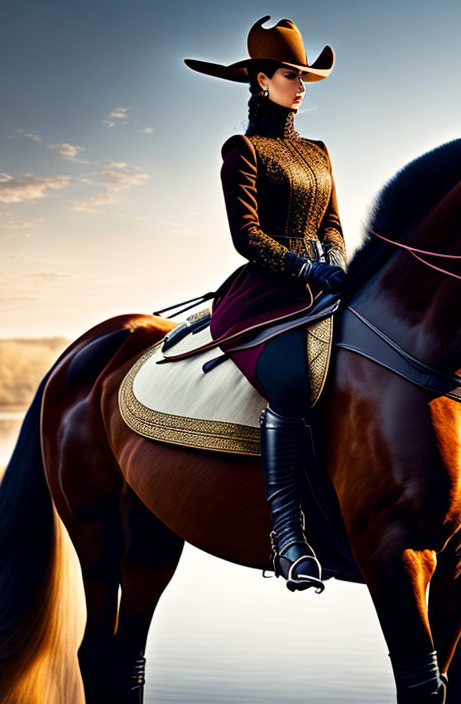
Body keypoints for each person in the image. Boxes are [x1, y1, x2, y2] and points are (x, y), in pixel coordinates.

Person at [185, 16, 347, 593]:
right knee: (291, 382)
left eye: (304, 76)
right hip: (265, 292)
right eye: (289, 75)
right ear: (260, 81)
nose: (301, 86)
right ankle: (287, 537)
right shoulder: (243, 150)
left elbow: (331, 222)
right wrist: (305, 267)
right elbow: (247, 236)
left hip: (325, 281)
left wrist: (336, 264)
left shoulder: (319, 152)